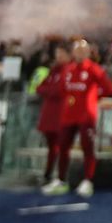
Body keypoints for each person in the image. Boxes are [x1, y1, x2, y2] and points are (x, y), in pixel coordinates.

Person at [47, 39, 112, 197]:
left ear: (88, 52)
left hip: (86, 116)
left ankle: (87, 181)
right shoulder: (68, 69)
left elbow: (109, 89)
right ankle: (61, 180)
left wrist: (94, 97)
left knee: (87, 148)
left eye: (83, 50)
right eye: (77, 50)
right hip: (68, 116)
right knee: (63, 147)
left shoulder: (94, 69)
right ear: (73, 52)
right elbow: (62, 89)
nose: (80, 53)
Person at [35, 45, 70, 192]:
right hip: (49, 115)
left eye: (61, 54)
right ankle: (48, 174)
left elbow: (59, 90)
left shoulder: (68, 71)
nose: (58, 57)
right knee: (51, 147)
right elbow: (39, 88)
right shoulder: (53, 71)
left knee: (61, 147)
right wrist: (49, 90)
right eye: (57, 54)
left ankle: (60, 177)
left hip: (61, 115)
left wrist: (48, 90)